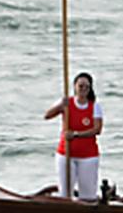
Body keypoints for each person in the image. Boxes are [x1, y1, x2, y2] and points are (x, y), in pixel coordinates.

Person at [44, 72, 103, 201]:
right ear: (75, 87)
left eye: (86, 87)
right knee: (65, 194)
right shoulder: (67, 103)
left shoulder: (95, 106)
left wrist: (76, 134)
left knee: (88, 195)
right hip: (66, 154)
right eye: (80, 86)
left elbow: (97, 130)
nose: (83, 89)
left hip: (88, 156)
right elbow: (47, 116)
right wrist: (60, 106)